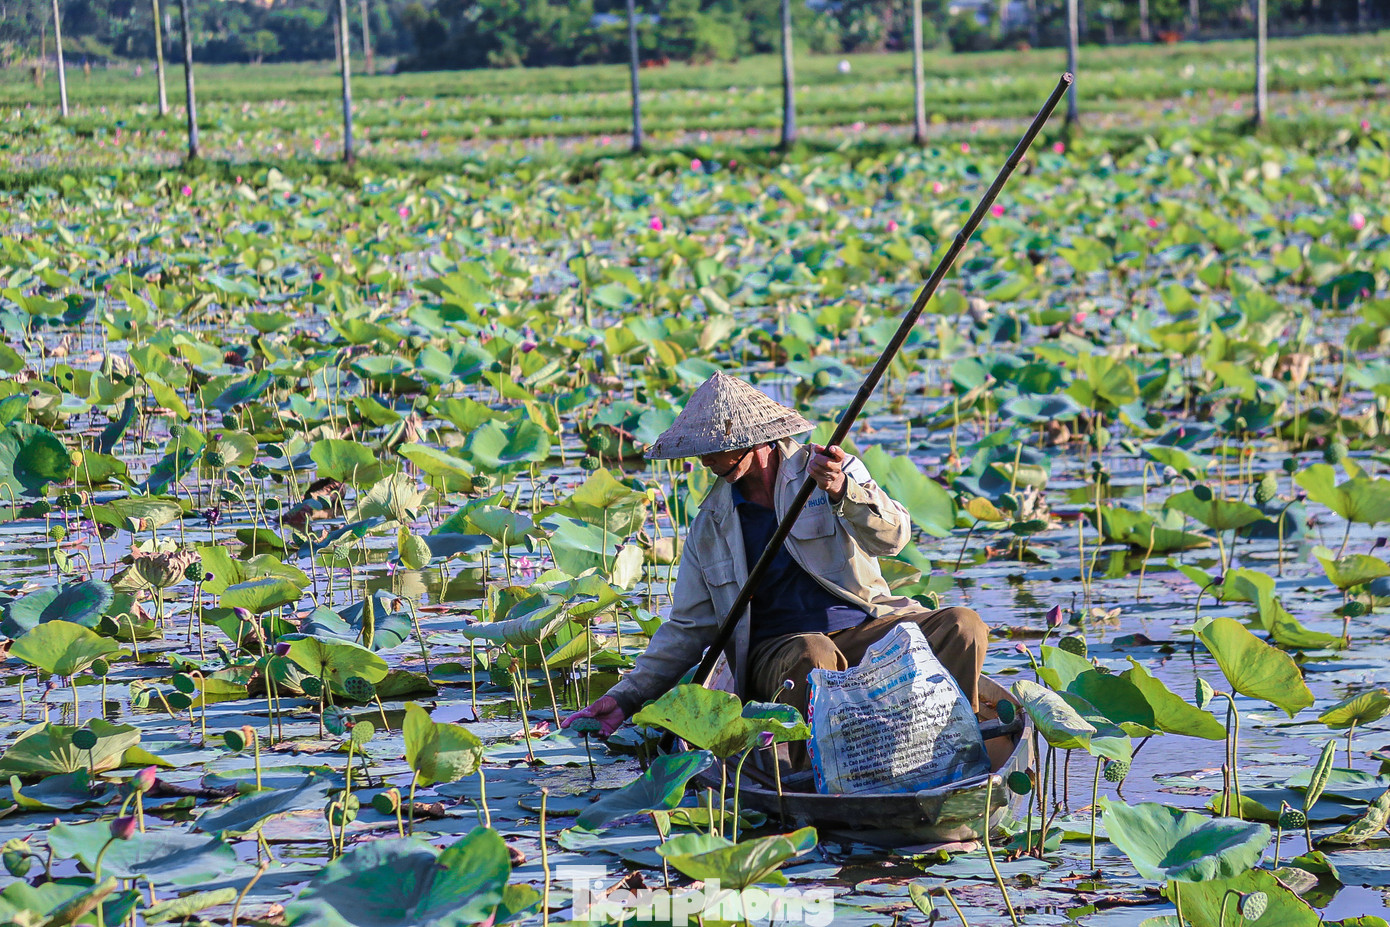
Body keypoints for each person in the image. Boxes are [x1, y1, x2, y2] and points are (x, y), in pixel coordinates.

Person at [562, 372, 988, 763]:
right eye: (700, 452)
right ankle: (815, 768)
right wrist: (626, 697)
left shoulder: (832, 469)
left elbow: (894, 539)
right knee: (814, 652)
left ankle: (950, 744)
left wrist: (843, 491)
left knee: (963, 624)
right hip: (778, 655)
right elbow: (687, 629)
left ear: (755, 441)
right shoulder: (710, 524)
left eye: (715, 449)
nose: (706, 462)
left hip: (865, 626)